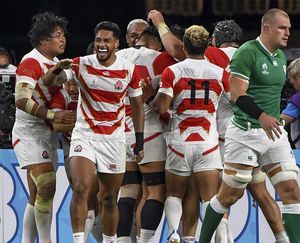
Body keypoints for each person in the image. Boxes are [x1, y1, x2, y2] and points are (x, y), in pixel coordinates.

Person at [200, 8, 300, 243]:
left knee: (290, 190)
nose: (287, 33)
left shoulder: (280, 57)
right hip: (245, 132)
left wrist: (271, 119)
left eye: (288, 28)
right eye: (282, 28)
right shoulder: (246, 53)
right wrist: (262, 116)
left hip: (274, 134)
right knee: (230, 194)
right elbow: (237, 94)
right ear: (266, 28)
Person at [43, 21, 145, 243]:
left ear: (116, 43)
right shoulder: (81, 64)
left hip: (114, 140)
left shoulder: (128, 69)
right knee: (81, 187)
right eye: (98, 40)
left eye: (106, 40)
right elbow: (47, 82)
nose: (101, 44)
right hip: (85, 135)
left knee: (109, 199)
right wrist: (58, 67)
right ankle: (79, 240)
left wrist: (140, 140)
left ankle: (109, 240)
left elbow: (137, 106)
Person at [147, 25, 229, 243]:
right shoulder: (220, 73)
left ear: (183, 46)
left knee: (175, 194)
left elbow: (162, 107)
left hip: (179, 141)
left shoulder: (172, 72)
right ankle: (221, 239)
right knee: (211, 199)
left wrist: (152, 100)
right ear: (207, 46)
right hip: (208, 143)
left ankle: (174, 232)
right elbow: (237, 100)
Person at [12, 12, 75, 243]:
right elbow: (20, 100)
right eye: (57, 35)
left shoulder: (57, 65)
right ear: (42, 40)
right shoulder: (31, 61)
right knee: (47, 184)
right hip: (28, 133)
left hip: (48, 133)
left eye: (63, 35)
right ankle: (47, 241)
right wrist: (52, 113)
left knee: (38, 194)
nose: (63, 39)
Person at [116, 25, 177, 243]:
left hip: (121, 132)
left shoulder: (119, 56)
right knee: (155, 191)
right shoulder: (161, 59)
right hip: (149, 131)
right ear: (158, 42)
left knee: (128, 192)